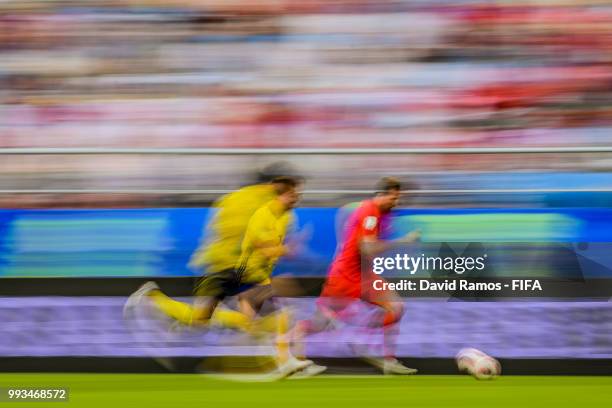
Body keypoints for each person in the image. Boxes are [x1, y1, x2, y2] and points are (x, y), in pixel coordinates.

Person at [125, 171, 319, 378]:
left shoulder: (234, 199)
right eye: (292, 191)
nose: (295, 196)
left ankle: (153, 296)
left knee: (209, 318)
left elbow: (221, 231)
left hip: (222, 266)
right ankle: (285, 362)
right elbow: (259, 243)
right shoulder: (268, 210)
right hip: (238, 269)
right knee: (270, 315)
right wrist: (287, 249)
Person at [292, 177, 420, 374]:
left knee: (395, 307)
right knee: (319, 324)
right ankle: (291, 354)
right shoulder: (370, 212)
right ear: (381, 195)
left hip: (365, 275)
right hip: (345, 276)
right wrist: (402, 241)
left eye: (398, 199)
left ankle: (386, 359)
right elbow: (368, 248)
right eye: (393, 198)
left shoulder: (381, 214)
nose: (396, 203)